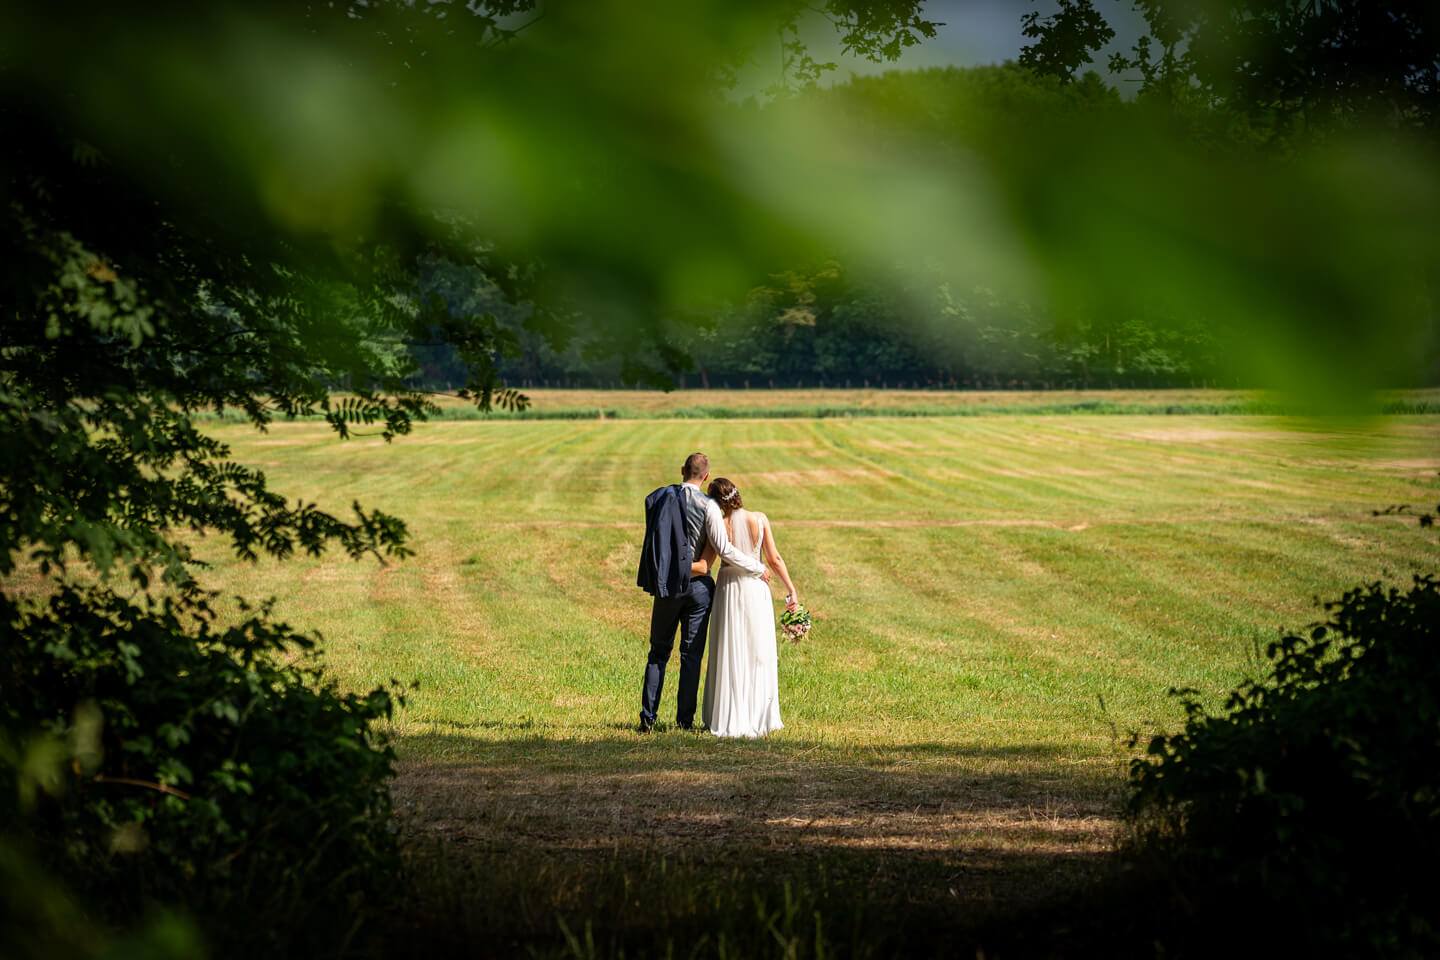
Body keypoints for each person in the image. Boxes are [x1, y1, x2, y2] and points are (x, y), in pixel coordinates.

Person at [635, 453, 769, 733]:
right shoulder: (708, 506)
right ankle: (684, 721)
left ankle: (648, 717)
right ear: (706, 477)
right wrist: (756, 567)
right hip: (698, 590)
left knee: (658, 652)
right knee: (691, 655)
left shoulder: (658, 498)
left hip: (668, 587)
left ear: (682, 470)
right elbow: (725, 549)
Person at [694, 477, 798, 739]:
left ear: (716, 501)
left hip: (729, 588)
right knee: (757, 648)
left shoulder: (718, 525)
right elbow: (774, 558)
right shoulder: (759, 519)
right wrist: (791, 589)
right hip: (755, 587)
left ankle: (730, 712)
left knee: (730, 647)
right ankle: (759, 714)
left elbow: (711, 558)